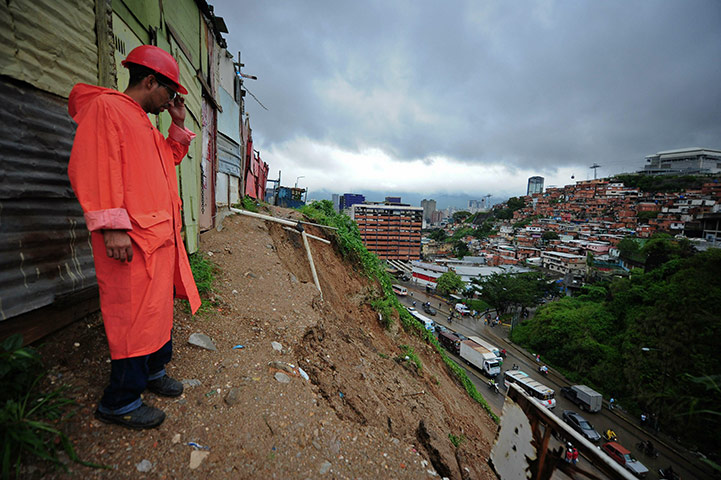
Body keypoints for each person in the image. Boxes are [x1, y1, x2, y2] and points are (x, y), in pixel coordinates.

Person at [68, 45, 201, 429]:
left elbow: (167, 159)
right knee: (131, 316)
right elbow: (93, 168)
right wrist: (112, 227)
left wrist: (176, 123)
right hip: (129, 241)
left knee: (155, 312)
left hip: (155, 239)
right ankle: (120, 400)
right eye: (170, 94)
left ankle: (154, 373)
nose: (170, 101)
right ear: (149, 81)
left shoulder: (142, 121)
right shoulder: (107, 110)